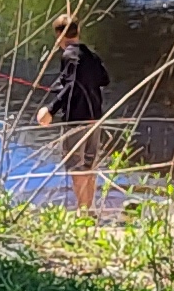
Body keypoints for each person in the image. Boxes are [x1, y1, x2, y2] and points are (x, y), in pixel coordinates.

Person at [31, 11, 113, 212]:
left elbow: (71, 86)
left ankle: (82, 211)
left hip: (76, 119)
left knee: (76, 166)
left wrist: (50, 110)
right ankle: (89, 210)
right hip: (95, 118)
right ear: (78, 31)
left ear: (59, 36)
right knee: (89, 165)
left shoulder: (68, 55)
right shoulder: (91, 56)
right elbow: (104, 79)